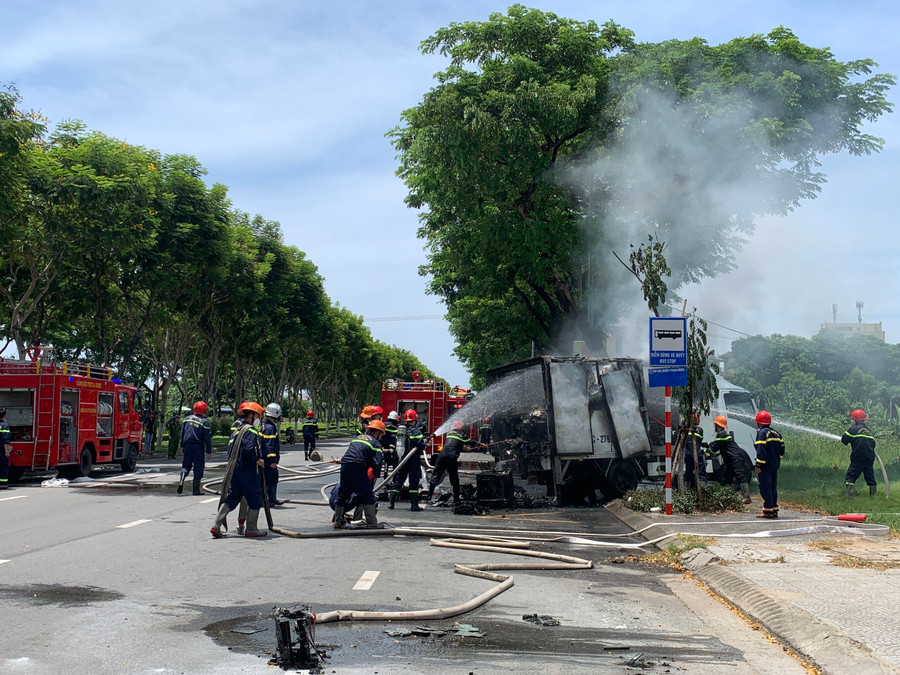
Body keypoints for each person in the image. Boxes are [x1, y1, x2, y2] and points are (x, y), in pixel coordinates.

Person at [211, 401, 268, 538]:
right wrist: (257, 460)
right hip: (246, 470)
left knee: (233, 497)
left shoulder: (237, 428)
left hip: (235, 469)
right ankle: (251, 528)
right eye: (258, 416)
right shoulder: (250, 430)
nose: (259, 419)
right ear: (252, 415)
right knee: (255, 498)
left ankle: (216, 525)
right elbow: (249, 448)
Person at [333, 419, 386, 529]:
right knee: (367, 495)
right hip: (358, 466)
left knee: (343, 493)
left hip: (345, 465)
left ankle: (338, 522)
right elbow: (377, 463)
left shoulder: (357, 438)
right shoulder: (376, 443)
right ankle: (372, 524)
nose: (381, 437)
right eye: (381, 434)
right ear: (378, 432)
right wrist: (374, 479)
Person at [428, 419, 480, 505]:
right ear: (461, 428)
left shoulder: (449, 434)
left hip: (442, 456)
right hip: (451, 458)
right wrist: (479, 444)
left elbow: (453, 444)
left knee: (435, 475)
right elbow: (469, 441)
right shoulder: (461, 434)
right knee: (454, 478)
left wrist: (463, 448)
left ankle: (429, 496)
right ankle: (456, 499)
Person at [708, 415, 752, 504]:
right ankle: (730, 496)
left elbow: (714, 448)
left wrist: (705, 451)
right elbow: (715, 443)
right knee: (728, 477)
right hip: (731, 460)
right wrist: (706, 444)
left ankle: (747, 497)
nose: (714, 427)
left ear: (718, 426)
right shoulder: (723, 435)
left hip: (735, 459)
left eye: (715, 425)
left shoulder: (721, 434)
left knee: (740, 476)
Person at [389, 409, 426, 511]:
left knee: (399, 480)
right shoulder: (416, 431)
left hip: (402, 459)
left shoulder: (401, 430)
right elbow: (421, 445)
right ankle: (414, 505)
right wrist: (425, 444)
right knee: (413, 481)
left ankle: (391, 503)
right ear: (415, 419)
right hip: (413, 459)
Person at [754, 410, 785, 519]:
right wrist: (777, 459)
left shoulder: (762, 433)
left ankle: (767, 511)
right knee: (773, 487)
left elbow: (761, 450)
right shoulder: (776, 433)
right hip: (775, 465)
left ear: (759, 422)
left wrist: (758, 465)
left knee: (765, 487)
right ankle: (774, 509)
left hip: (765, 466)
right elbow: (782, 448)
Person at [177, 401, 212, 495]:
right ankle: (196, 490)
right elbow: (207, 438)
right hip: (198, 447)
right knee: (198, 467)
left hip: (187, 446)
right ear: (204, 410)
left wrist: (182, 446)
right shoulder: (204, 422)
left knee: (186, 465)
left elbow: (182, 434)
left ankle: (181, 480)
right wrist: (209, 451)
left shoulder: (186, 419)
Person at [842, 409, 877, 497]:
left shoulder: (853, 429)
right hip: (869, 458)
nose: (851, 421)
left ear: (856, 419)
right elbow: (873, 444)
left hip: (858, 458)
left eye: (852, 419)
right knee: (870, 477)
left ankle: (850, 496)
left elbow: (844, 439)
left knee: (850, 477)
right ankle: (874, 496)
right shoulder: (869, 431)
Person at [261, 403, 284, 506]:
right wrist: (273, 461)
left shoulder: (267, 426)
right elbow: (269, 446)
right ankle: (267, 500)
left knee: (273, 478)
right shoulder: (270, 428)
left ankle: (272, 498)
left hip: (267, 461)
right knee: (268, 480)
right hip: (268, 461)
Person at [682, 415, 707, 488]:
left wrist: (675, 433)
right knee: (701, 470)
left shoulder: (685, 430)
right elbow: (700, 440)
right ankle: (702, 488)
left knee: (688, 471)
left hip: (688, 454)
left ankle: (688, 488)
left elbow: (679, 436)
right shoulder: (700, 430)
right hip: (697, 453)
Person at [382, 411, 400, 478]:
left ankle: (385, 473)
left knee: (386, 461)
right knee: (396, 462)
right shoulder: (398, 426)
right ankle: (395, 477)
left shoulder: (384, 425)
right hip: (396, 447)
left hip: (386, 446)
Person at [0, 408, 10, 490]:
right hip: (1, 449)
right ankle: (3, 483)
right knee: (4, 466)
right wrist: (6, 450)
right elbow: (5, 439)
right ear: (4, 415)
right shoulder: (4, 425)